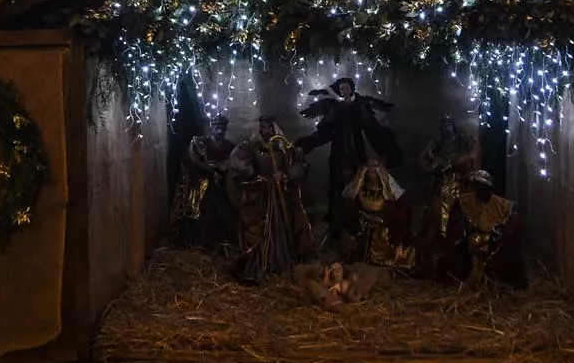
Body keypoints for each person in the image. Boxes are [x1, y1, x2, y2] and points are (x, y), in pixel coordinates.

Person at [296, 77, 402, 239]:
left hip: (356, 151)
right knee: (338, 183)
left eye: (347, 88)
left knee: (358, 181)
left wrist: (385, 147)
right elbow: (325, 132)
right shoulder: (335, 108)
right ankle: (338, 220)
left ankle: (356, 220)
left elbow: (371, 127)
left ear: (351, 89)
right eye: (342, 89)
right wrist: (306, 144)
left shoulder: (359, 106)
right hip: (339, 150)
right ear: (339, 91)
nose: (344, 91)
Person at [230, 115, 314, 284]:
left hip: (281, 194)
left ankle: (286, 259)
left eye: (269, 127)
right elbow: (241, 164)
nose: (266, 130)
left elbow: (298, 165)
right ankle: (262, 262)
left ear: (274, 128)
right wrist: (261, 177)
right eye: (263, 127)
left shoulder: (283, 147)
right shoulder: (253, 147)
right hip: (263, 196)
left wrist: (285, 175)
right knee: (260, 228)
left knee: (285, 224)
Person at [440, 170, 527, 287]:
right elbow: (456, 221)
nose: (481, 190)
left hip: (493, 242)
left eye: (484, 187)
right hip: (470, 241)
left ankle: (494, 282)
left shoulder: (503, 205)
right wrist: (463, 231)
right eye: (478, 186)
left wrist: (502, 232)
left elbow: (513, 218)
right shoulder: (464, 202)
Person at [168, 113, 238, 248]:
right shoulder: (201, 143)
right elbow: (193, 160)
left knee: (226, 213)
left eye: (222, 127)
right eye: (217, 126)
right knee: (205, 213)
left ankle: (222, 242)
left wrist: (224, 166)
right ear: (211, 126)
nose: (219, 130)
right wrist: (209, 168)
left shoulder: (229, 146)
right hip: (202, 187)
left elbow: (234, 161)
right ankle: (201, 243)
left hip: (222, 186)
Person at [418, 115, 479, 247]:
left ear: (454, 126)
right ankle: (439, 239)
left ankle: (459, 239)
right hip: (441, 183)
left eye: (449, 125)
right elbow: (425, 159)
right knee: (436, 210)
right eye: (444, 126)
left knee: (460, 211)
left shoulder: (462, 141)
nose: (447, 128)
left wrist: (459, 163)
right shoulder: (437, 144)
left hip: (458, 183)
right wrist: (434, 166)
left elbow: (472, 156)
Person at [342, 160, 414, 268]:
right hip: (364, 220)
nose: (372, 171)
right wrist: (359, 178)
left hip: (384, 222)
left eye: (375, 169)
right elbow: (348, 196)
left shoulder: (387, 190)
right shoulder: (362, 189)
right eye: (369, 168)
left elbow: (399, 202)